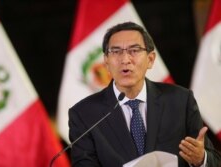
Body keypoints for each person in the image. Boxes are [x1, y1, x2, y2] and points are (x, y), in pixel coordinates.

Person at [68, 22, 221, 167]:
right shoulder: (84, 114)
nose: (125, 59)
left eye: (134, 50)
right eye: (116, 52)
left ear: (150, 59)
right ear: (106, 62)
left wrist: (201, 159)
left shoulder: (180, 101)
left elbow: (215, 161)